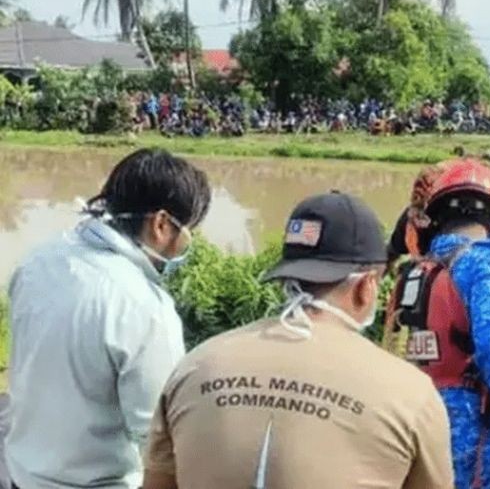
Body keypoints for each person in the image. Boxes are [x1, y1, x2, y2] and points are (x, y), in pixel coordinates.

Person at [143, 192, 454, 489]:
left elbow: (156, 482)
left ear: (287, 278)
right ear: (367, 286)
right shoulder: (410, 393)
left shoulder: (196, 365)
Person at [6, 149, 212, 489]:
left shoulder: (37, 262)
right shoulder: (144, 307)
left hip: (23, 476)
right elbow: (158, 439)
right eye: (187, 231)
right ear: (161, 224)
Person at [384, 159, 490, 489]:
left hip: (406, 413)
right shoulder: (488, 263)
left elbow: (393, 346)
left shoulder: (413, 271)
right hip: (467, 420)